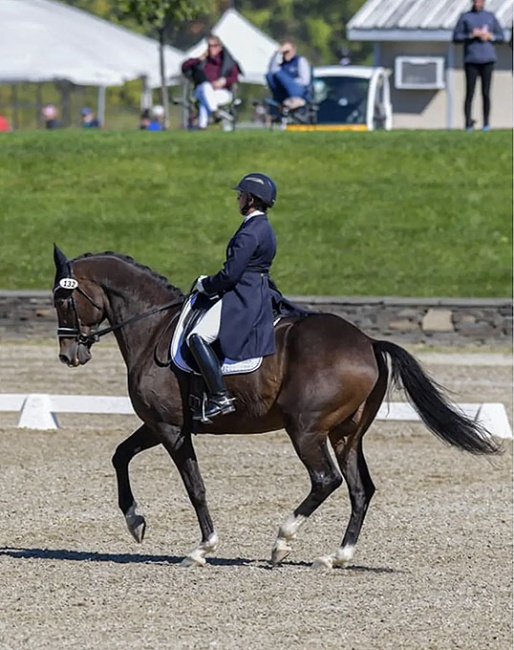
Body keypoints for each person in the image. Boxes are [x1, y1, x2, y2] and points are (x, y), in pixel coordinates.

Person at [187, 173, 280, 421]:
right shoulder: (265, 227)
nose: (238, 198)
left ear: (251, 198)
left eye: (240, 194)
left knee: (197, 336)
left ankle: (219, 397)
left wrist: (205, 284)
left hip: (244, 293)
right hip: (259, 288)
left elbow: (230, 275)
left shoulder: (250, 231)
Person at [453, 0, 505, 131]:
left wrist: (489, 36)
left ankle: (486, 124)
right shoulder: (465, 17)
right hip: (471, 60)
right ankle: (468, 123)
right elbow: (456, 37)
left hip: (487, 60)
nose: (477, 3)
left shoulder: (490, 17)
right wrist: (471, 35)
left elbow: (501, 37)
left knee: (486, 93)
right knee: (470, 93)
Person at [181, 34, 240, 130]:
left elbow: (235, 78)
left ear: (220, 47)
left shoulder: (227, 62)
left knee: (206, 100)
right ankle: (214, 112)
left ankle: (202, 126)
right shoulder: (202, 61)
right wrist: (198, 59)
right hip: (200, 90)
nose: (212, 48)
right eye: (210, 46)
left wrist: (224, 81)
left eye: (214, 46)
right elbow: (184, 66)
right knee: (206, 87)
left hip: (221, 91)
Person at [266, 39, 311, 111]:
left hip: (298, 88)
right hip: (284, 91)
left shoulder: (300, 61)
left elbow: (305, 81)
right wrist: (278, 52)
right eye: (284, 53)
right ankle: (280, 101)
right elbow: (271, 70)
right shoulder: (282, 65)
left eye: (288, 52)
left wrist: (289, 81)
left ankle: (296, 100)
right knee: (270, 75)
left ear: (293, 51)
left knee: (279, 74)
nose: (286, 54)